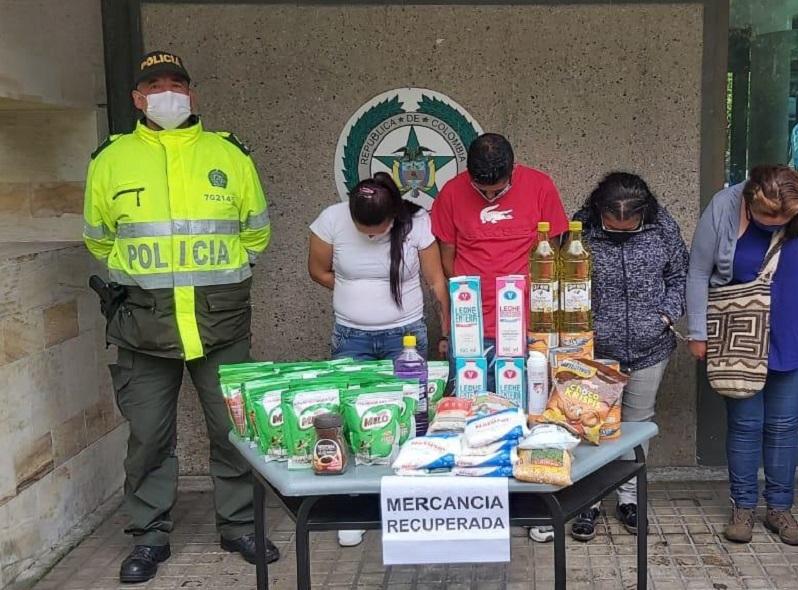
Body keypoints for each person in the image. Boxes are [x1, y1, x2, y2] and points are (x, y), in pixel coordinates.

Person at [82, 51, 277, 583]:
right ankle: (149, 535)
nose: (167, 92)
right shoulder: (111, 160)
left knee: (233, 429)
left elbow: (255, 231)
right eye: (155, 84)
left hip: (219, 324)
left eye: (177, 83)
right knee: (148, 434)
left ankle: (239, 525)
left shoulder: (228, 154)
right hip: (145, 327)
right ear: (137, 98)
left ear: (192, 93)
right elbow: (98, 237)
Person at [686, 165, 798, 546]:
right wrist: (697, 331)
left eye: (784, 217)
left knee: (784, 427)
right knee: (744, 425)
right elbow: (698, 272)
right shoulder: (723, 206)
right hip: (737, 335)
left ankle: (780, 509)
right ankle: (743, 507)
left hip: (793, 334)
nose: (775, 223)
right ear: (750, 198)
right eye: (766, 216)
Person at [430, 133, 568, 543]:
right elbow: (449, 261)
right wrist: (459, 319)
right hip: (473, 327)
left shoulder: (541, 186)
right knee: (471, 420)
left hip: (528, 325)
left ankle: (535, 507)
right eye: (482, 190)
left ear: (514, 170)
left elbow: (555, 254)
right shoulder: (452, 194)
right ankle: (474, 508)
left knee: (532, 417)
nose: (490, 196)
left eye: (499, 189)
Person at [308, 172, 450, 548]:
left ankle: (411, 503)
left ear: (396, 215)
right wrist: (358, 292)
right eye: (363, 228)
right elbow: (318, 271)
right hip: (350, 336)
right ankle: (357, 508)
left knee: (410, 420)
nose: (371, 235)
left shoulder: (417, 223)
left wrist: (448, 331)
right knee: (352, 421)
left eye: (380, 228)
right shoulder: (331, 220)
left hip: (403, 337)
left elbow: (436, 281)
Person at [566, 173, 688, 541]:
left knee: (636, 424)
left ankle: (629, 499)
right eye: (613, 225)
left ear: (644, 214)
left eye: (629, 226)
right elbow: (565, 283)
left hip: (650, 348)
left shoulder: (664, 227)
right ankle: (588, 500)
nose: (620, 230)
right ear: (599, 210)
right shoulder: (580, 230)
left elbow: (681, 276)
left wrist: (665, 315)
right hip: (595, 350)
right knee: (590, 423)